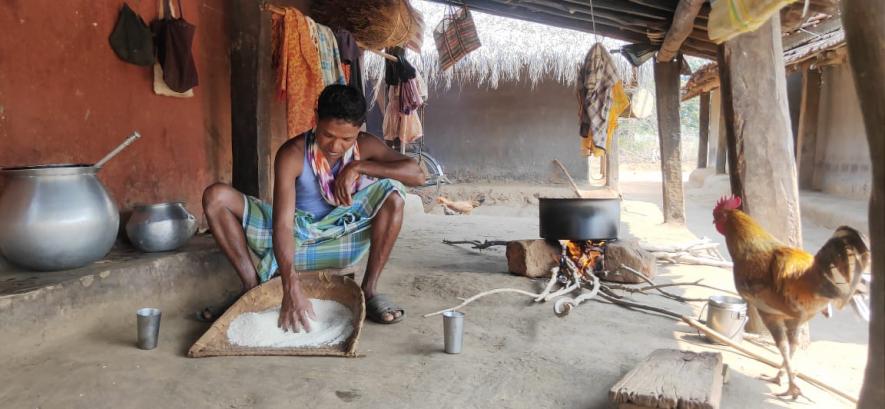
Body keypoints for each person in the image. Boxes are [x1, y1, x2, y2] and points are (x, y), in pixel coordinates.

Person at [202, 84, 425, 330]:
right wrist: (291, 285)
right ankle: (251, 287)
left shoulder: (366, 146)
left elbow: (417, 175)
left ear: (359, 130)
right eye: (328, 134)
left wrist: (358, 167)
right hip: (296, 240)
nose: (336, 146)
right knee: (216, 197)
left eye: (346, 139)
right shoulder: (293, 153)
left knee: (394, 193)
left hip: (343, 239)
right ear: (316, 118)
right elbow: (283, 226)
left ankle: (369, 291)